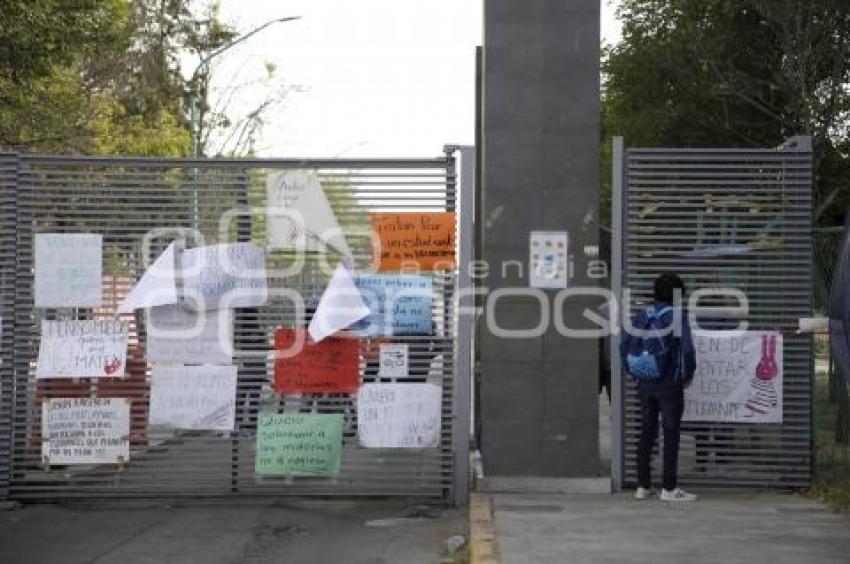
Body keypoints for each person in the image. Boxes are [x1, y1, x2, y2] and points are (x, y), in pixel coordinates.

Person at [621, 273, 698, 502]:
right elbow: (686, 350)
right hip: (669, 383)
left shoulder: (642, 315)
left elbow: (623, 345)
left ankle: (643, 486)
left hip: (645, 381)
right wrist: (688, 373)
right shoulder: (676, 315)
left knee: (647, 431)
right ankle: (669, 488)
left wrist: (634, 370)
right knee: (671, 432)